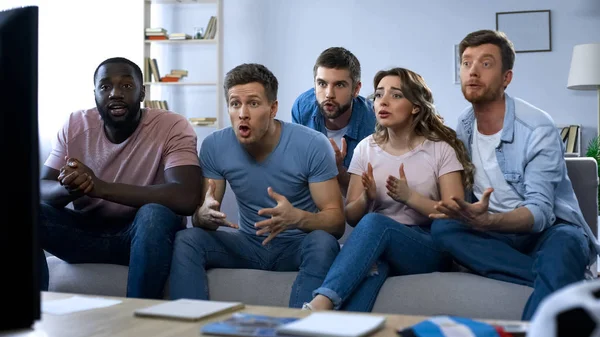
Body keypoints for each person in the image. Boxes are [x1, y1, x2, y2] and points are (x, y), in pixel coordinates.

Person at [429, 29, 600, 321]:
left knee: (567, 244)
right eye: (467, 62)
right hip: (497, 235)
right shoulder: (465, 124)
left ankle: (555, 275)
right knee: (443, 231)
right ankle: (559, 278)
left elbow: (540, 212)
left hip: (549, 229)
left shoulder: (537, 127)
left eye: (485, 63)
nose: (473, 71)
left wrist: (489, 221)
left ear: (506, 77)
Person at [168, 63, 346, 308]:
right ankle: (188, 325)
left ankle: (299, 327)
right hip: (249, 244)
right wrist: (203, 215)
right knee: (188, 239)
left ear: (273, 108)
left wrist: (296, 218)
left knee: (324, 243)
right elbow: (203, 218)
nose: (242, 113)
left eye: (252, 103)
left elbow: (336, 222)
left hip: (297, 245)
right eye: (234, 104)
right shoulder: (215, 147)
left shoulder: (312, 145)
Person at [304, 67, 474, 312]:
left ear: (416, 106)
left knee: (375, 224)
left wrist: (410, 197)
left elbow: (456, 215)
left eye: (395, 95)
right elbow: (352, 216)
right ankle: (339, 325)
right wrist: (366, 197)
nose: (383, 101)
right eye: (379, 95)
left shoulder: (440, 149)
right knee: (368, 271)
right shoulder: (365, 149)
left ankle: (322, 301)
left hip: (426, 245)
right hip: (376, 245)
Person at [39, 57, 202, 299]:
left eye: (126, 86)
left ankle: (137, 318)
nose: (115, 93)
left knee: (154, 213)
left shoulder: (172, 126)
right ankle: (29, 316)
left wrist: (101, 188)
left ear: (142, 92)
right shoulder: (75, 124)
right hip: (86, 233)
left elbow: (187, 196)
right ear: (95, 94)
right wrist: (71, 187)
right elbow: (42, 187)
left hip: (145, 234)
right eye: (105, 87)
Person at [292, 47, 376, 194]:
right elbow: (297, 173)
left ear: (356, 89)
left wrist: (338, 170)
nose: (329, 94)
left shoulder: (374, 121)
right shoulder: (302, 108)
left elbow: (371, 194)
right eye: (322, 84)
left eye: (339, 85)